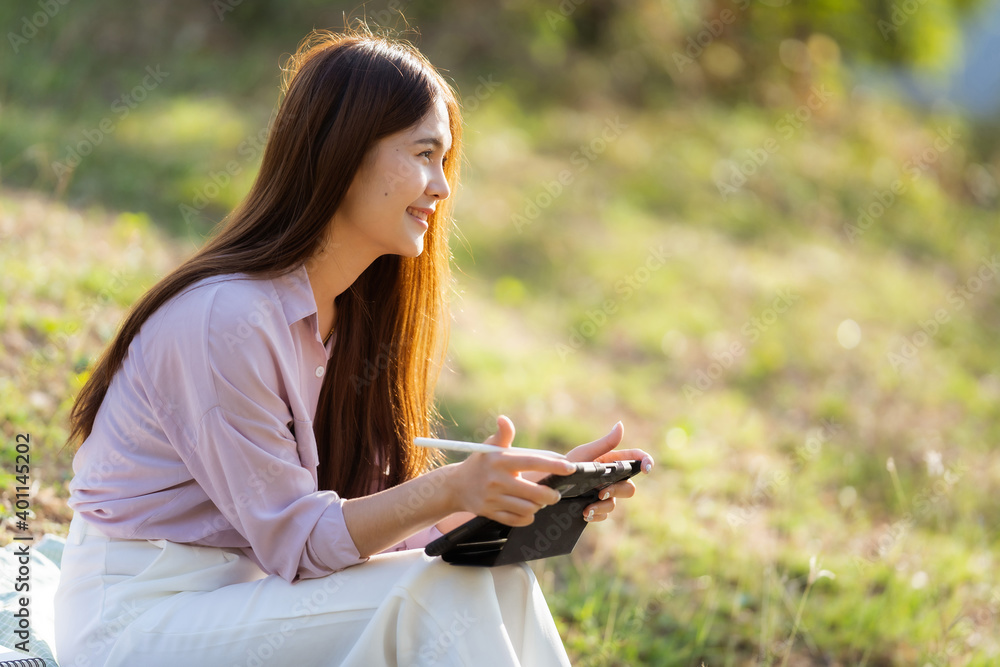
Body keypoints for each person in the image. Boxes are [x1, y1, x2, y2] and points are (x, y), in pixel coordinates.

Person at [54, 24, 654, 667]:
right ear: (342, 153)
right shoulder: (223, 320)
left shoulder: (352, 323)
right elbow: (299, 543)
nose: (442, 188)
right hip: (136, 621)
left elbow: (371, 537)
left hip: (248, 602)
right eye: (424, 155)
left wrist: (516, 498)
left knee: (493, 571)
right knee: (433, 597)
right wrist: (449, 489)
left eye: (443, 162)